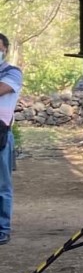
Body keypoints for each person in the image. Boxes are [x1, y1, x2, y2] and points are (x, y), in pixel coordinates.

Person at [0, 34, 22, 246]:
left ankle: (3, 228)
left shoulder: (12, 72)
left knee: (2, 185)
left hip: (1, 134)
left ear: (5, 49)